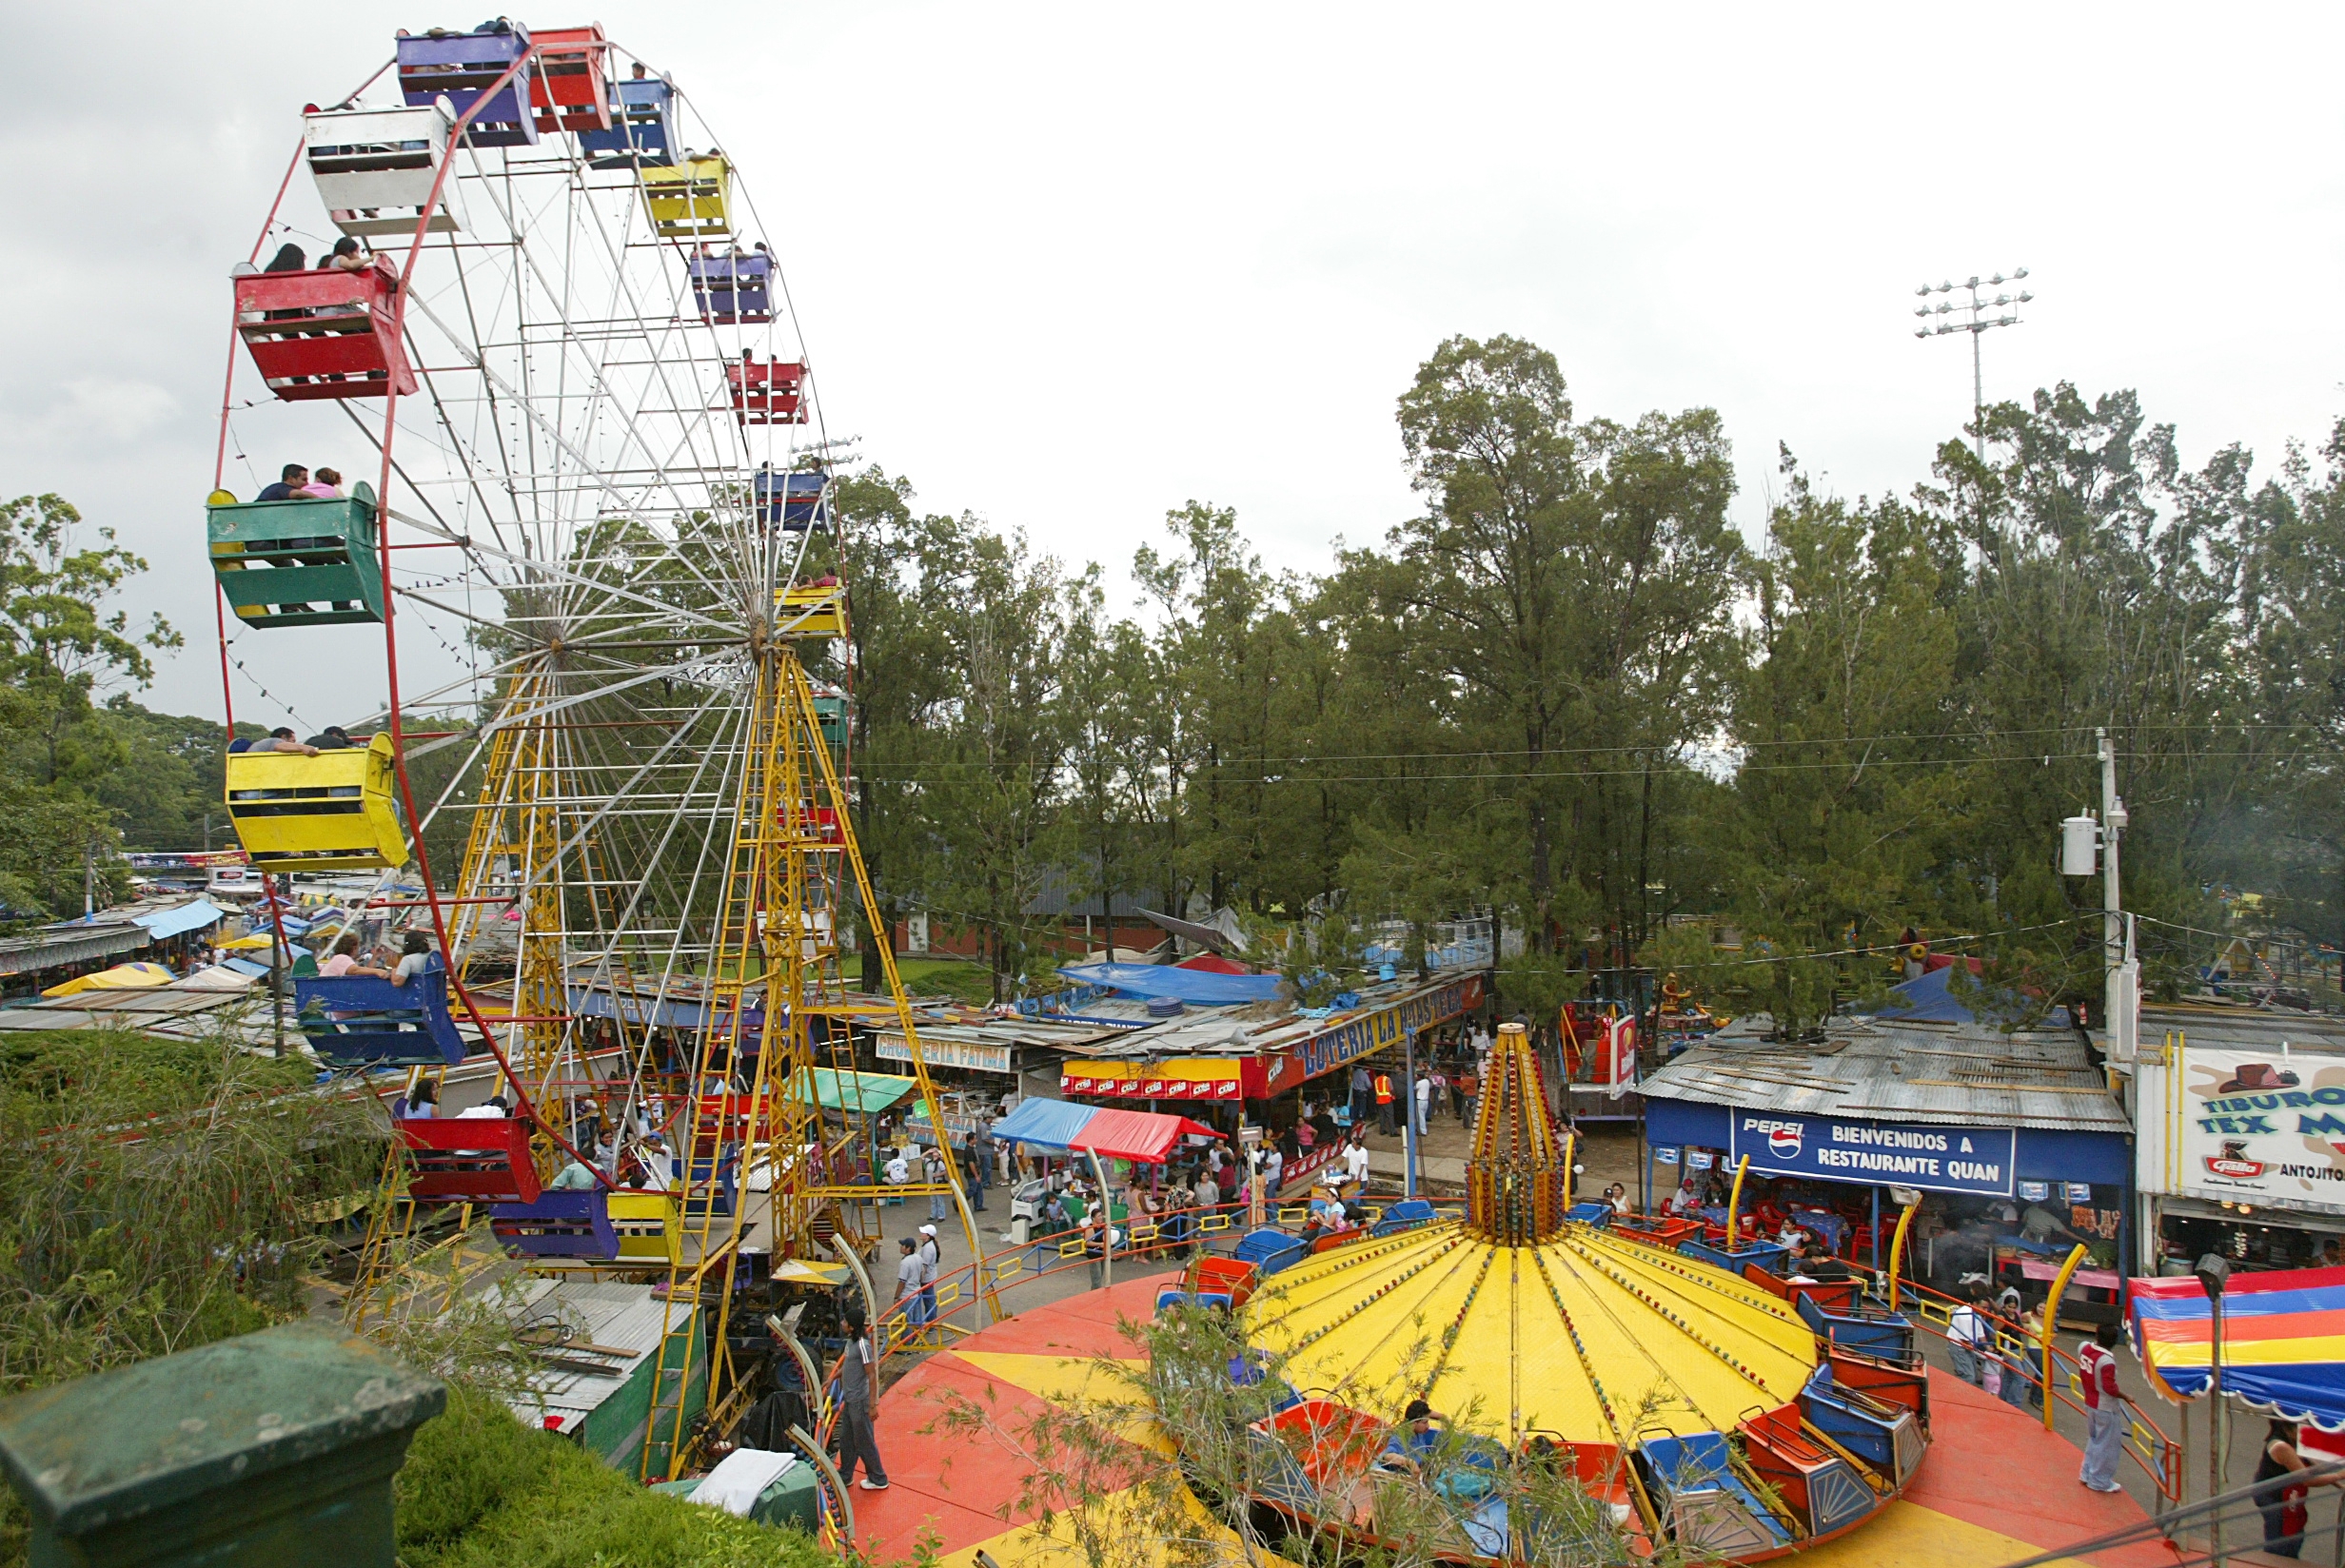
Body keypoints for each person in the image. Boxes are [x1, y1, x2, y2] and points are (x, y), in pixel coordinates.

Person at [2253, 1419, 2340, 1557]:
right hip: (2272, 1494)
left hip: (2291, 1492)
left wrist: (2340, 1484)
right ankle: (2276, 1560)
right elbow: (2308, 1480)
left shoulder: (2294, 1439)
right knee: (2280, 1534)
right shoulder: (2281, 1447)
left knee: (2296, 1528)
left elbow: (2313, 1466)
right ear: (2288, 1429)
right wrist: (2338, 1476)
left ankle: (2291, 1558)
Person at [830, 1303, 888, 1490]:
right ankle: (845, 1475)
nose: (842, 1323)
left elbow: (871, 1374)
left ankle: (879, 1478)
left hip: (859, 1402)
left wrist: (872, 1405)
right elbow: (848, 1366)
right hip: (850, 1399)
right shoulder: (851, 1343)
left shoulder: (863, 1345)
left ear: (852, 1326)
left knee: (864, 1441)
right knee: (847, 1439)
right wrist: (832, 1379)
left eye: (845, 1321)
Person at [2076, 1321, 2132, 1493]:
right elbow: (2110, 1388)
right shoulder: (2107, 1361)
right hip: (2105, 1406)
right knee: (2107, 1444)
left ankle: (2086, 1473)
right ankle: (2099, 1480)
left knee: (2094, 1440)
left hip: (2090, 1401)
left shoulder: (2084, 1348)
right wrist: (2126, 1396)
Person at [1946, 1284, 1991, 1387]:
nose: (1986, 1311)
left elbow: (1980, 1333)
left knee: (1973, 1374)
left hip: (1966, 1346)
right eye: (1983, 1308)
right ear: (1975, 1304)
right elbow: (1964, 1339)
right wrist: (1980, 1352)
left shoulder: (1976, 1314)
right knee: (1968, 1376)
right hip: (1959, 1347)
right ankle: (1958, 1397)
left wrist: (1989, 1347)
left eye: (1987, 1308)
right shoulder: (1966, 1315)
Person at [1386, 1398, 1447, 1469]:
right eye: (1425, 1423)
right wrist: (1410, 1463)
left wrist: (1445, 1419)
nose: (1428, 1426)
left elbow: (1440, 1416)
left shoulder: (1419, 1433)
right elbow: (1388, 1456)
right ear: (1413, 1423)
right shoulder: (1400, 1437)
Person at [892, 1236, 929, 1330]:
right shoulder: (918, 1258)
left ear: (908, 1248)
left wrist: (896, 1297)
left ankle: (907, 1343)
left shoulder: (905, 1262)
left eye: (902, 1245)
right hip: (916, 1294)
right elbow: (922, 1274)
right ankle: (918, 1341)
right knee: (917, 1320)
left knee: (906, 1323)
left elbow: (902, 1282)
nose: (900, 1247)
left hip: (907, 1296)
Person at [320, 932, 392, 979]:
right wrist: (378, 971)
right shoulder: (341, 958)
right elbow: (355, 970)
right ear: (354, 948)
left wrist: (375, 957)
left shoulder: (341, 958)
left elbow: (367, 972)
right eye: (358, 947)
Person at [967, 1116, 991, 1212]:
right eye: (975, 1138)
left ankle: (978, 1205)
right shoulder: (969, 1151)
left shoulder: (973, 1149)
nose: (977, 1140)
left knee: (978, 1189)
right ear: (971, 1140)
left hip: (975, 1173)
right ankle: (959, 1201)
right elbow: (971, 1163)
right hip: (971, 1174)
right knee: (973, 1189)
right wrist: (976, 1175)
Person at [1374, 1068, 1395, 1136]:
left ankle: (1382, 1130)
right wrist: (1394, 1094)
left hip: (1379, 1100)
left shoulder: (1376, 1080)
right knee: (1390, 1116)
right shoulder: (1387, 1079)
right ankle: (1392, 1132)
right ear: (1384, 1072)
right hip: (1387, 1100)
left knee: (1382, 1116)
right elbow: (1391, 1089)